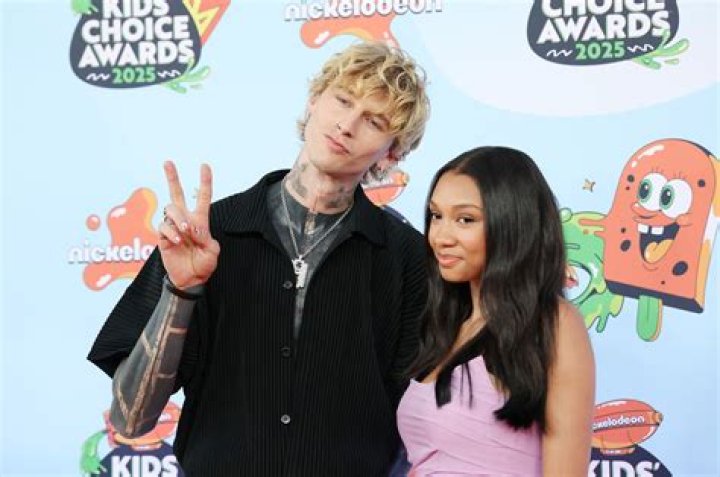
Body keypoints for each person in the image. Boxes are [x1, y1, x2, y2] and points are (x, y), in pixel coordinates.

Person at [87, 41, 430, 476]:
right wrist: (181, 290)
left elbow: (423, 425)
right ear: (313, 100)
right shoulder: (210, 232)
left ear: (392, 152)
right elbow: (130, 420)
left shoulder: (407, 258)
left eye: (373, 121)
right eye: (343, 100)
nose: (346, 126)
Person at [397, 146, 595, 476]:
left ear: (512, 224)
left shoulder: (555, 324)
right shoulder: (446, 325)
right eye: (436, 215)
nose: (440, 236)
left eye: (465, 219)